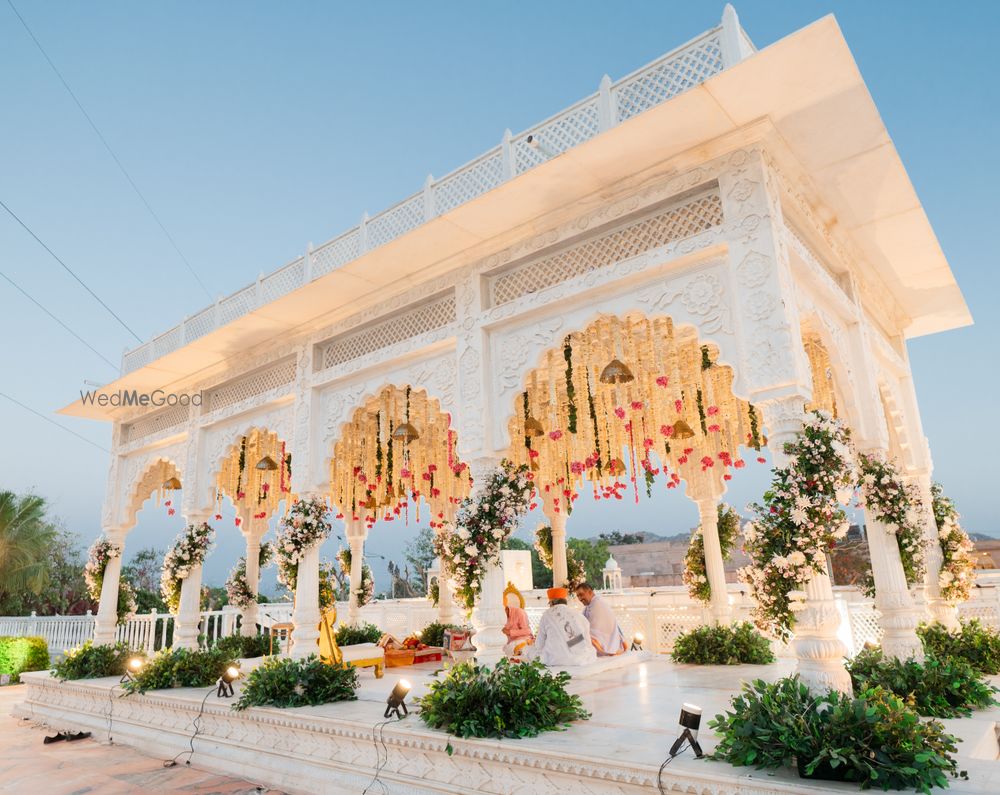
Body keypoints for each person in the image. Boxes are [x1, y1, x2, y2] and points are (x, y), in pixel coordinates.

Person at [522, 587, 597, 667]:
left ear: (551, 603)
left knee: (528, 650)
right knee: (589, 651)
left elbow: (539, 645)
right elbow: (587, 642)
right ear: (565, 602)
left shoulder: (547, 614)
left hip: (554, 659)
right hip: (579, 659)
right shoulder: (577, 614)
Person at [575, 582, 627, 656]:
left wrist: (576, 638)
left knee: (572, 644)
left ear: (590, 592)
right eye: (578, 596)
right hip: (598, 637)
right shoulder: (589, 605)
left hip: (606, 641)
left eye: (581, 595)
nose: (579, 598)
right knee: (571, 642)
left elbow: (593, 631)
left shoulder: (597, 604)